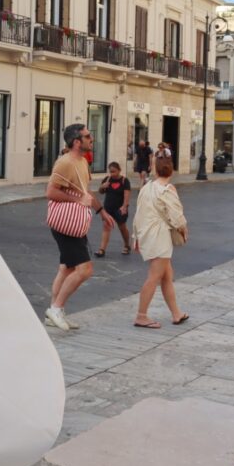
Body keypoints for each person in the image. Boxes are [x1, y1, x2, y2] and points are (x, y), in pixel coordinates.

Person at [44, 124, 115, 331]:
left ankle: (54, 313)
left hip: (75, 223)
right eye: (87, 136)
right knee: (85, 270)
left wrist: (101, 211)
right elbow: (50, 192)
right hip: (66, 223)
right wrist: (75, 201)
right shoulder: (64, 163)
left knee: (67, 268)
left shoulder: (82, 162)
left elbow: (86, 193)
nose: (91, 139)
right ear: (77, 142)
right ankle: (56, 309)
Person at [131, 156, 189, 329]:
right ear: (171, 170)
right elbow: (177, 216)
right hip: (160, 236)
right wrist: (183, 229)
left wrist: (136, 237)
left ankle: (176, 313)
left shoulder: (146, 187)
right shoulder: (168, 189)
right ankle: (141, 316)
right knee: (154, 276)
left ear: (155, 170)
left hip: (148, 234)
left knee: (166, 276)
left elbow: (138, 214)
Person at [95, 162, 131, 257]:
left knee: (122, 227)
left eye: (114, 172)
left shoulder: (124, 181)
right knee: (106, 226)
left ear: (119, 170)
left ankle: (127, 245)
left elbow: (126, 195)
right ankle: (102, 249)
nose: (112, 174)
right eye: (111, 172)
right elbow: (100, 192)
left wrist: (124, 206)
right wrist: (103, 186)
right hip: (108, 208)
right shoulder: (107, 179)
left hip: (119, 208)